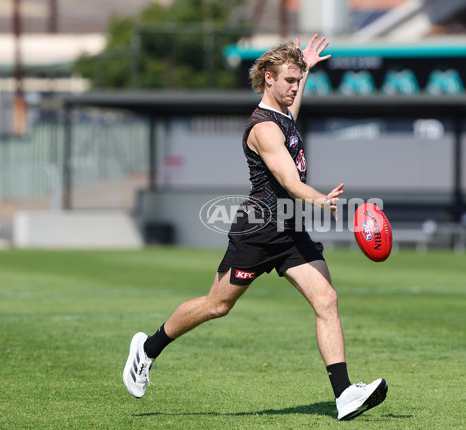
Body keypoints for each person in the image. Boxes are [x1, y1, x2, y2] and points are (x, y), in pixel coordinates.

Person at [123, 34, 387, 421]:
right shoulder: (264, 128)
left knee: (326, 299)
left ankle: (344, 394)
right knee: (217, 305)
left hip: (290, 229)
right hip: (260, 230)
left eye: (298, 81)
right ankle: (147, 349)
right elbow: (289, 181)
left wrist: (306, 67)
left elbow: (293, 105)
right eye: (289, 81)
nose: (295, 88)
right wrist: (321, 200)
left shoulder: (284, 114)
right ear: (267, 78)